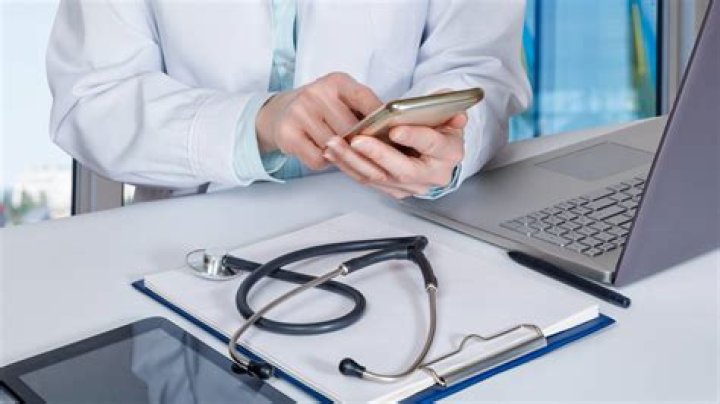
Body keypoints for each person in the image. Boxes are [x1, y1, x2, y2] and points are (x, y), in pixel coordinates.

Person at [47, 0, 530, 201]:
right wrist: (255, 123)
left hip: (396, 225)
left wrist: (444, 141)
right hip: (188, 240)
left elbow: (480, 61)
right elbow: (93, 101)